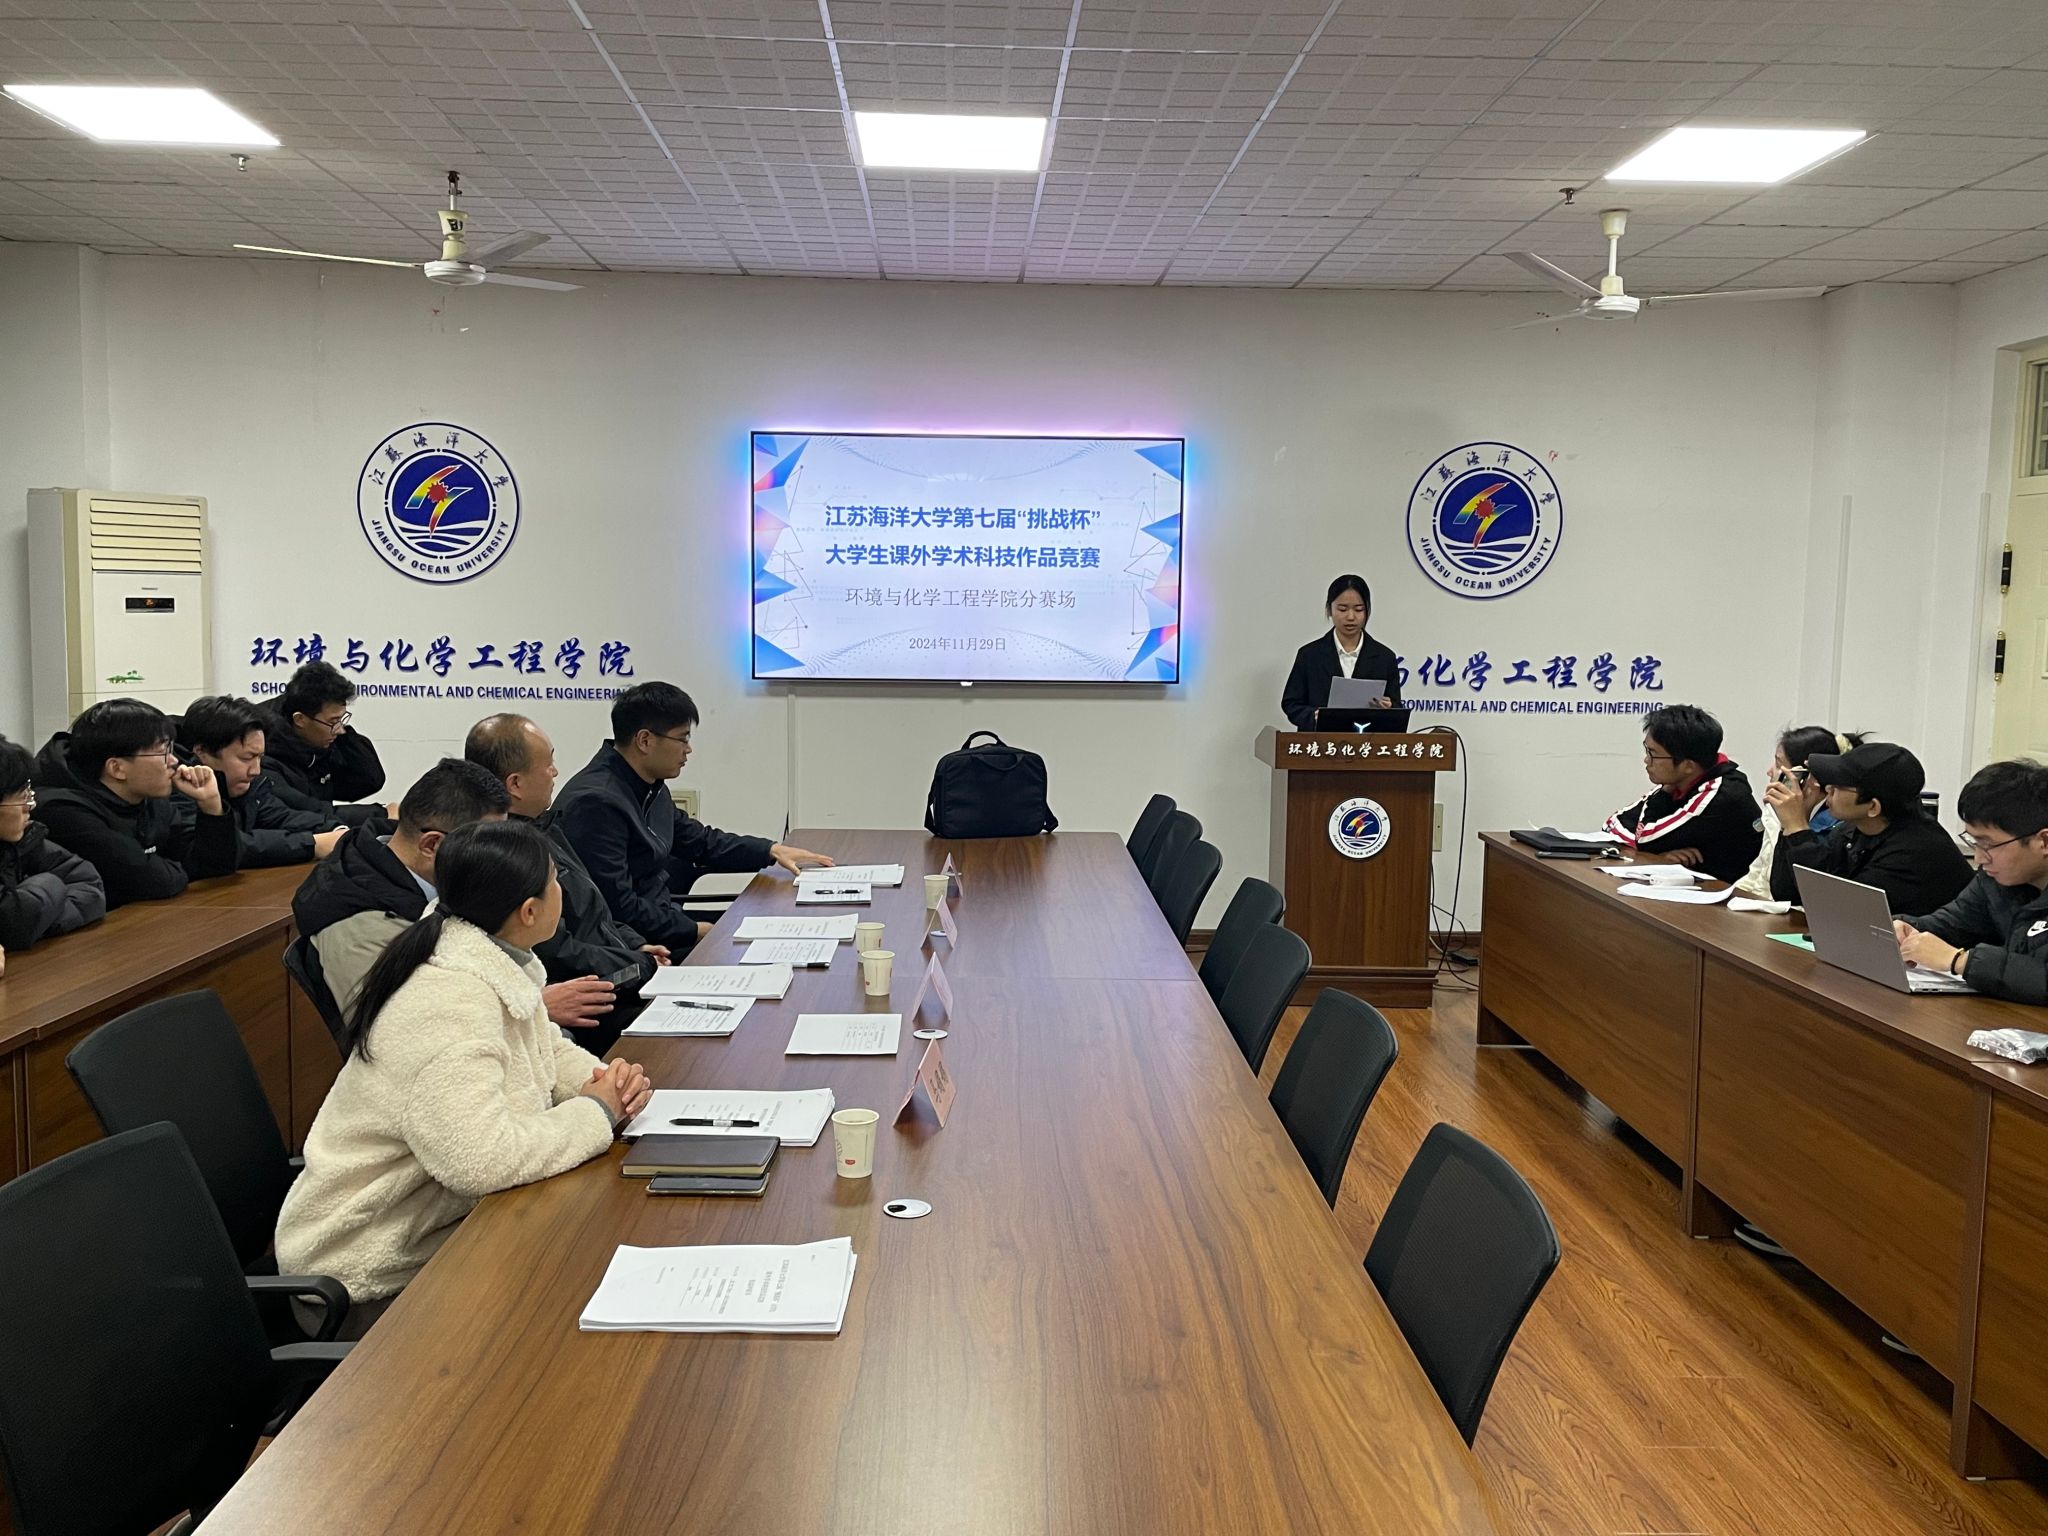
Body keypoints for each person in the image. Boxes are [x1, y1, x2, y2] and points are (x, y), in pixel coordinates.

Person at [276, 819, 653, 1336]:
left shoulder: (489, 956)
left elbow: (542, 1050)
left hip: (441, 1231)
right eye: (555, 881)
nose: (563, 890)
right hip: (368, 1276)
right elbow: (480, 1161)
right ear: (529, 912)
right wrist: (596, 1112)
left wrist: (609, 1082)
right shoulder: (447, 1001)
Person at [551, 682, 832, 955]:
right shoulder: (596, 802)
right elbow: (618, 907)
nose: (688, 749)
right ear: (645, 740)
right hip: (636, 944)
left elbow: (700, 841)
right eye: (682, 739)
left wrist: (770, 850)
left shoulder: (647, 783)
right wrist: (696, 930)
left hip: (662, 918)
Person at [466, 713, 663, 1052]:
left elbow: (596, 909)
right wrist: (638, 965)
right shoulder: (509, 857)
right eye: (548, 764)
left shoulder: (545, 827)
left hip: (617, 970)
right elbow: (557, 951)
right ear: (515, 784)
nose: (555, 772)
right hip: (588, 999)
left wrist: (636, 946)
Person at [293, 758, 512, 1018]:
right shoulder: (360, 929)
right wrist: (523, 1006)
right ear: (431, 845)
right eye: (486, 848)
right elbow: (404, 1028)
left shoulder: (432, 882)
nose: (495, 861)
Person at [32, 698, 240, 908]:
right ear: (117, 768)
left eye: (170, 749)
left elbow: (213, 866)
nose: (174, 761)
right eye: (162, 752)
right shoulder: (62, 811)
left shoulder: (148, 797)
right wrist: (178, 867)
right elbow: (153, 881)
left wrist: (211, 805)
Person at [1896, 759, 2048, 1002]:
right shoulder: (1995, 881)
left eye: (1988, 844)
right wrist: (1905, 929)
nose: (1979, 858)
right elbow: (1951, 925)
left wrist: (1959, 961)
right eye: (1974, 842)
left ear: (2044, 842)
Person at [1765, 742, 1972, 912]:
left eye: (1839, 785)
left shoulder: (1915, 852)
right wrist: (1790, 826)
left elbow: (1835, 909)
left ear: (1873, 807)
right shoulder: (1853, 830)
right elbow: (1787, 894)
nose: (1828, 789)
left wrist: (1798, 828)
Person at [176, 695, 346, 867]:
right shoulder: (178, 788)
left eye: (259, 758)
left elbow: (282, 817)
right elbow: (224, 846)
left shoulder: (250, 786)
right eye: (246, 758)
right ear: (202, 752)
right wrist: (312, 845)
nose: (256, 771)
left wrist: (337, 831)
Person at [1602, 703, 1763, 881]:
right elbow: (1611, 825)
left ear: (1688, 766)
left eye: (1653, 753)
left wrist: (1653, 852)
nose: (1646, 760)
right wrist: (1659, 856)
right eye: (1647, 750)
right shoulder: (1680, 781)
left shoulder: (1721, 795)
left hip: (1730, 891)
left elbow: (1645, 838)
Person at [0, 734, 105, 951]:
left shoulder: (25, 839)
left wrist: (39, 923)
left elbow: (89, 885)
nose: (30, 806)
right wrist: (51, 882)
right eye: (22, 797)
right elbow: (15, 921)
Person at [1734, 725, 1858, 898]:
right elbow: (1758, 874)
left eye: (1779, 764)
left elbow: (1809, 893)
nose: (1770, 771)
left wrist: (1795, 827)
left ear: (1805, 777)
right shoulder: (1777, 812)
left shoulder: (1838, 826)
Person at [260, 661, 389, 826]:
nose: (340, 730)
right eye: (333, 721)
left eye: (341, 719)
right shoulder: (262, 749)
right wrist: (381, 814)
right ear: (300, 719)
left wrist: (341, 733)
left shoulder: (318, 734)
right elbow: (306, 811)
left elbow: (370, 780)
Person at [1281, 574, 1403, 730]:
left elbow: (1396, 707)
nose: (1351, 617)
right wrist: (1313, 715)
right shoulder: (1309, 655)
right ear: (1329, 609)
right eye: (1343, 609)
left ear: (1367, 611)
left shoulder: (1384, 657)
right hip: (1319, 741)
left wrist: (1389, 708)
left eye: (1358, 609)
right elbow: (1291, 703)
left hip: (1367, 741)